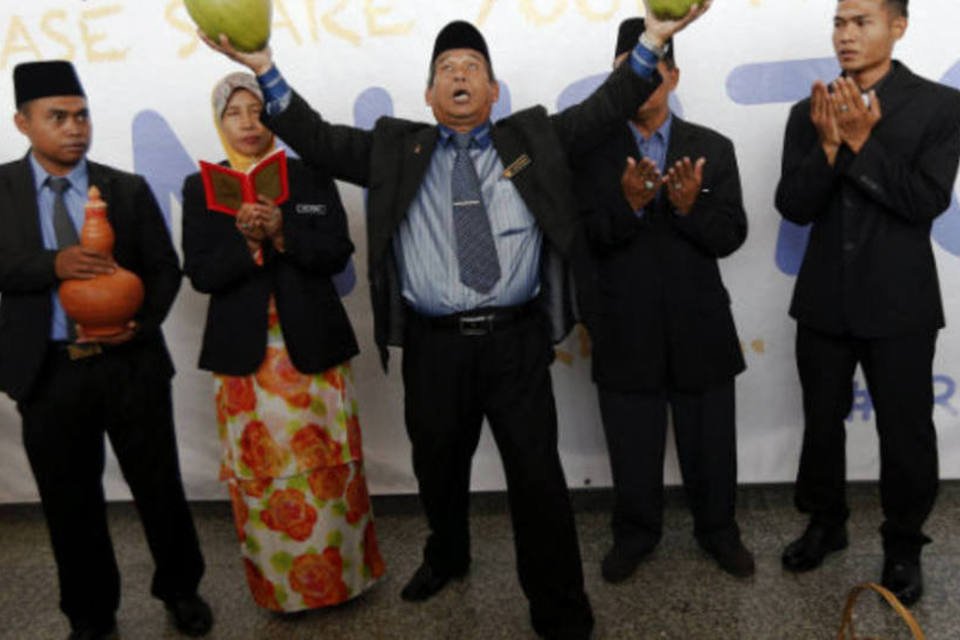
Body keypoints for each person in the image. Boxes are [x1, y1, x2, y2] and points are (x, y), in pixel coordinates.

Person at [200, 4, 710, 637]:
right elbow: (321, 138)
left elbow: (606, 107)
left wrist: (655, 39)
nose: (459, 75)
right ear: (429, 93)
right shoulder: (396, 148)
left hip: (516, 343)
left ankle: (560, 611)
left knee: (538, 481)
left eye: (472, 67)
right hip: (434, 346)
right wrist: (264, 70)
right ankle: (447, 553)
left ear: (493, 91)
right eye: (446, 68)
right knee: (438, 468)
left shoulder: (531, 140)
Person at [0, 61, 212, 639]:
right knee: (71, 506)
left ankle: (181, 590)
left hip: (131, 365)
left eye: (82, 114)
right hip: (47, 373)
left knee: (159, 486)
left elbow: (164, 272)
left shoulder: (125, 188)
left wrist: (138, 327)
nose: (75, 127)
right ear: (23, 123)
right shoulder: (2, 191)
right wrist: (53, 264)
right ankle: (91, 616)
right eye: (58, 117)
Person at [774, 0, 960, 605]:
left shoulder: (939, 105)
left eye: (861, 22)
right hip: (824, 300)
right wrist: (830, 148)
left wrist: (861, 142)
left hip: (900, 302)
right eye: (838, 22)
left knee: (906, 433)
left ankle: (904, 545)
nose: (846, 36)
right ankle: (825, 524)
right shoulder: (810, 110)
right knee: (821, 424)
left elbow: (925, 201)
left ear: (897, 27)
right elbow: (794, 205)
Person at [181, 72, 385, 612]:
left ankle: (345, 580)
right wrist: (247, 244)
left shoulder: (310, 176)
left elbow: (337, 251)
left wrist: (280, 234)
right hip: (245, 366)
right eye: (234, 113)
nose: (248, 123)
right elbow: (201, 273)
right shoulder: (200, 188)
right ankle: (280, 590)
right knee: (261, 478)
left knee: (330, 468)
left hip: (313, 352)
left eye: (257, 110)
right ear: (219, 122)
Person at [574, 18, 752, 584]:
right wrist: (628, 206)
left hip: (700, 327)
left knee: (712, 448)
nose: (642, 82)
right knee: (631, 449)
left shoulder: (711, 148)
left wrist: (688, 207)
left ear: (673, 76)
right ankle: (635, 536)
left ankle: (719, 532)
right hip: (625, 328)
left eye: (653, 71)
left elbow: (732, 234)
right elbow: (584, 238)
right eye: (629, 72)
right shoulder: (589, 154)